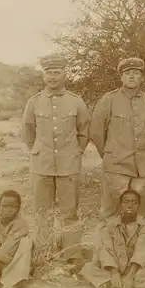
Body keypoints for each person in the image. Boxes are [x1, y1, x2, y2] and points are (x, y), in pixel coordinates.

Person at [22, 53, 91, 274]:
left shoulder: (76, 101)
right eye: (48, 73)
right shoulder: (34, 103)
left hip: (69, 165)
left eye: (57, 72)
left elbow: (84, 131)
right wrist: (37, 151)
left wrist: (75, 151)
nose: (52, 77)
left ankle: (71, 254)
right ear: (43, 75)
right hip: (41, 166)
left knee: (69, 212)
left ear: (64, 74)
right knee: (41, 211)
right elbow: (28, 132)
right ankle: (43, 253)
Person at [90, 57, 145, 220]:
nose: (131, 76)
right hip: (116, 166)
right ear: (121, 77)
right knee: (111, 212)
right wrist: (110, 153)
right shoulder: (109, 100)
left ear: (142, 77)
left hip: (143, 168)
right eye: (127, 73)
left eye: (136, 73)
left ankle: (137, 243)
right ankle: (109, 244)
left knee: (140, 213)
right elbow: (96, 132)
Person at [80, 190, 145, 288]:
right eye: (126, 202)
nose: (130, 206)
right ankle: (131, 283)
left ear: (139, 206)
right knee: (88, 268)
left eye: (134, 202)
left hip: (136, 267)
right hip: (115, 264)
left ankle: (115, 282)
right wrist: (114, 272)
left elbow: (142, 251)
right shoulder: (108, 225)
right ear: (121, 205)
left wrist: (130, 275)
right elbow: (105, 250)